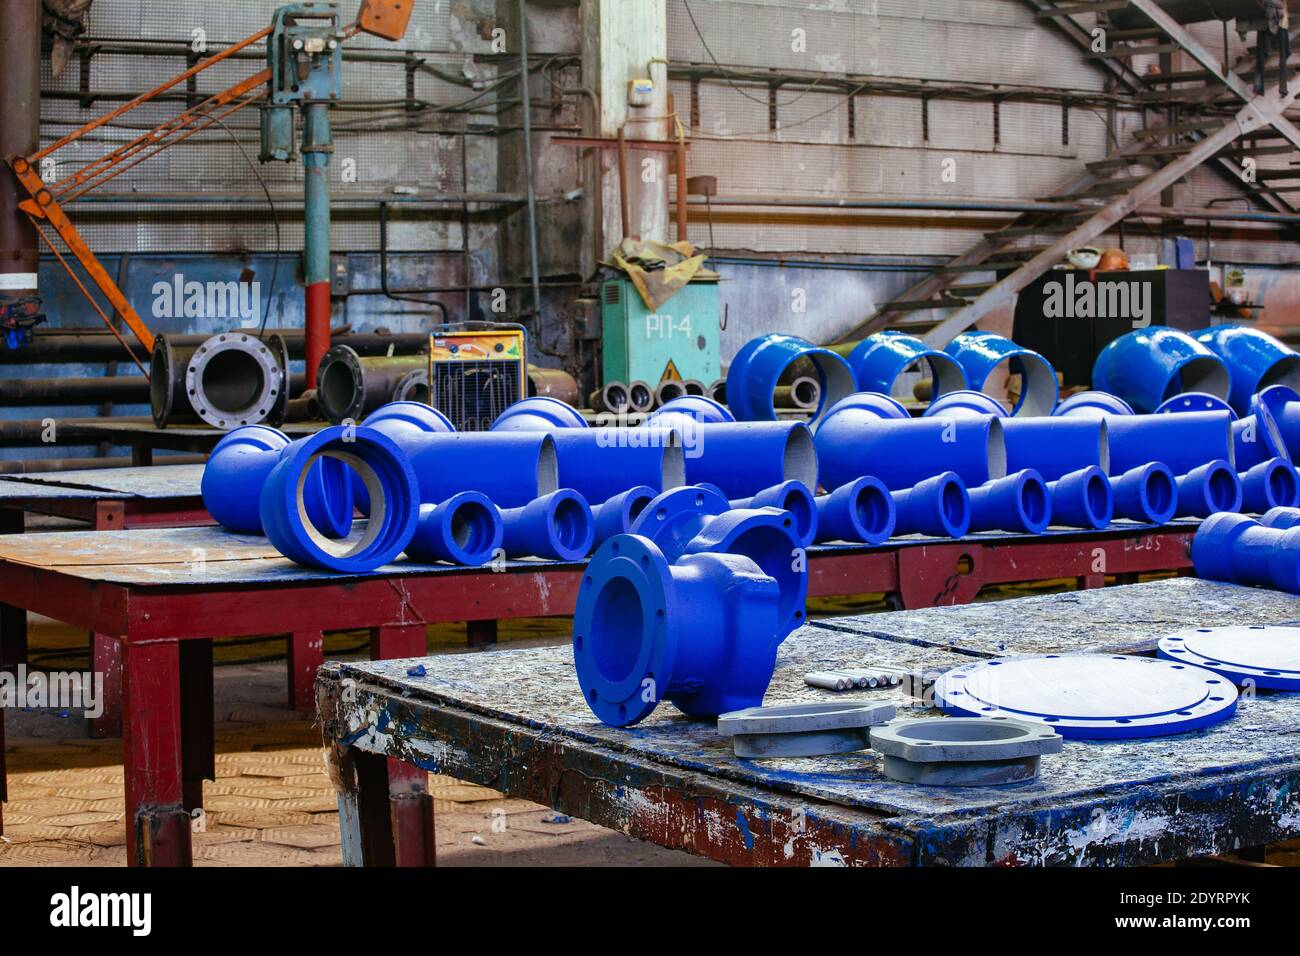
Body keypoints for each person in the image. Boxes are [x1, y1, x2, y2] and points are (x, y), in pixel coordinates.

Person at [1256, 0, 1292, 96]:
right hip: (1267, 22)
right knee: (1262, 54)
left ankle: (1282, 89)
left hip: (1280, 23)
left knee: (1282, 56)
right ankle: (1259, 86)